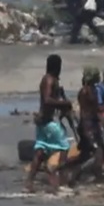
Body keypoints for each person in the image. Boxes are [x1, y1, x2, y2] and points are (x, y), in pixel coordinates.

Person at [25, 54, 73, 193]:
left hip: (43, 122)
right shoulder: (49, 80)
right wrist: (65, 103)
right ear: (56, 67)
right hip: (49, 122)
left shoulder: (50, 80)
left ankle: (29, 183)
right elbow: (47, 100)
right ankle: (61, 181)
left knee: (40, 152)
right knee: (64, 147)